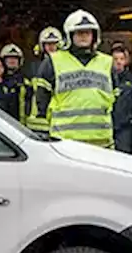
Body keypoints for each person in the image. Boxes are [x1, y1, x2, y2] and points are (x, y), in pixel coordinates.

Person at [34, 9, 116, 148]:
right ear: (70, 35)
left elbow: (117, 99)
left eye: (87, 32)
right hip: (65, 142)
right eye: (79, 32)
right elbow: (42, 100)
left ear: (94, 36)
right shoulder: (52, 62)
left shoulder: (107, 62)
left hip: (102, 142)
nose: (84, 36)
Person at [22, 26, 64, 134]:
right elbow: (25, 96)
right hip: (35, 121)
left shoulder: (65, 67)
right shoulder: (32, 68)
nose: (51, 47)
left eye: (54, 44)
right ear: (42, 45)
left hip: (58, 121)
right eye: (48, 44)